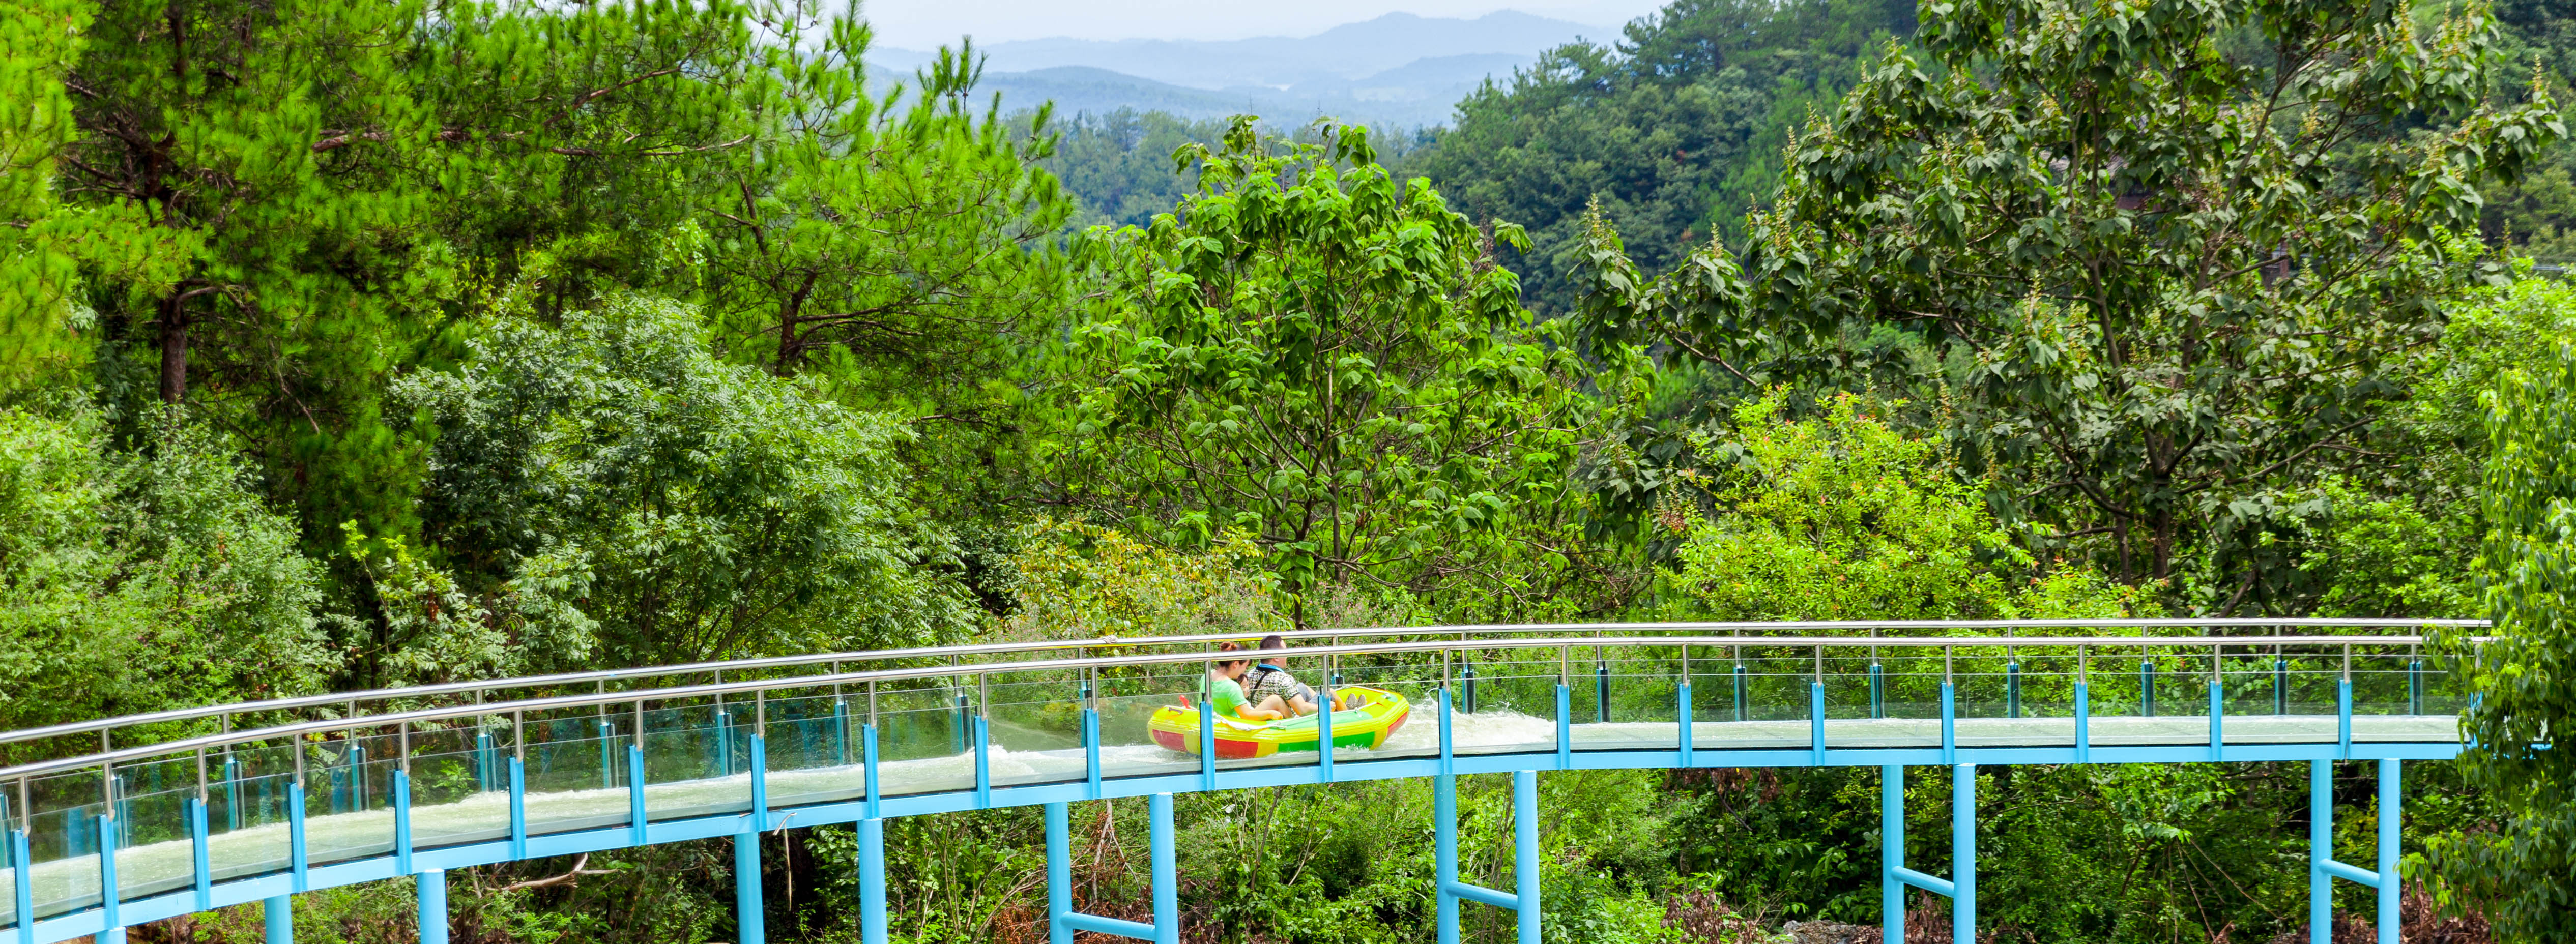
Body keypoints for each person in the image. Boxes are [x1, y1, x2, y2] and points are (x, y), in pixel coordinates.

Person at [1240, 635, 1357, 717]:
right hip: (1292, 717)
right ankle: (1348, 715)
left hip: (1266, 711)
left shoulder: (1251, 674)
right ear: (1276, 657)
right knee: (1330, 692)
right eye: (1285, 651)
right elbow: (1302, 710)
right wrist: (1327, 707)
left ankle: (1343, 708)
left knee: (1302, 687)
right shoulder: (1284, 680)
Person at [1205, 641, 1286, 722]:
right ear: (1236, 664)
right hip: (1234, 727)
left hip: (1213, 724)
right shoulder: (1232, 687)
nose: (1245, 671)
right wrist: (1271, 714)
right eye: (1245, 667)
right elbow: (1247, 715)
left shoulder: (1207, 676)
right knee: (1276, 700)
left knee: (1275, 700)